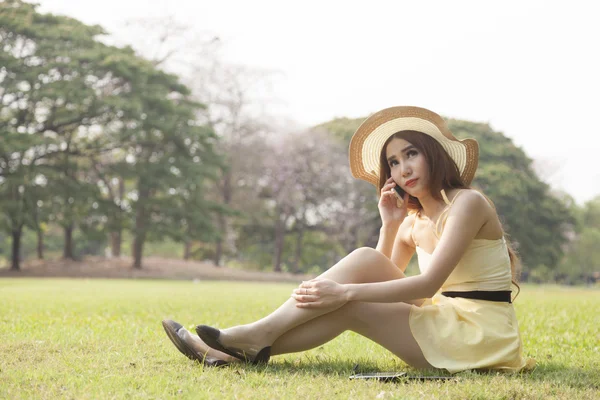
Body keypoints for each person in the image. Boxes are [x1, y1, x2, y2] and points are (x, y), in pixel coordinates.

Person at [162, 106, 535, 373]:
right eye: (392, 162)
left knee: (349, 295)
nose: (402, 169)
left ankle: (252, 337)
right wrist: (388, 227)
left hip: (478, 336)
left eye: (411, 154)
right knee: (352, 291)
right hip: (442, 323)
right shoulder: (409, 222)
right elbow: (379, 277)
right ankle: (233, 351)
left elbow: (427, 284)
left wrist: (344, 293)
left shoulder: (468, 204)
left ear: (433, 154)